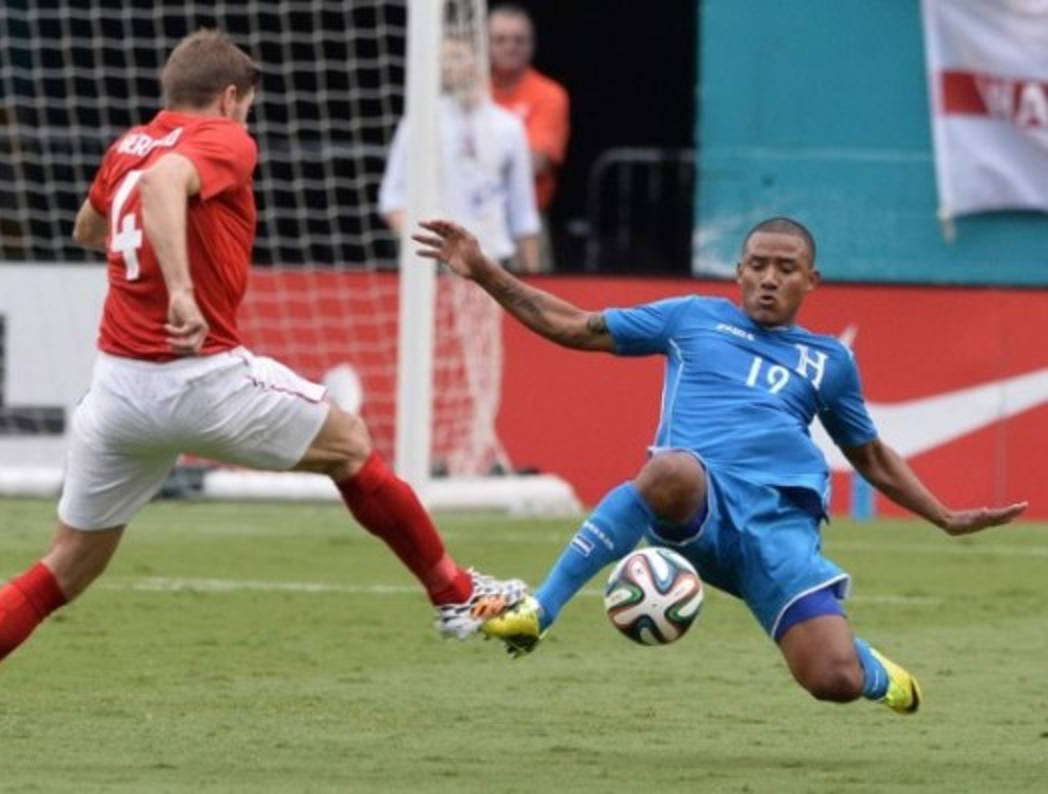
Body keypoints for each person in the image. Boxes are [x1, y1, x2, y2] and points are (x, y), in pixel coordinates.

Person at [0, 31, 526, 765]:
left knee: (63, 568)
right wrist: (180, 288)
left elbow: (90, 227)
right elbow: (163, 188)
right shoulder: (224, 139)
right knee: (350, 445)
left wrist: (149, 255)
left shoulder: (128, 145)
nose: (247, 124)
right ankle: (454, 595)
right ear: (230, 97)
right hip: (199, 376)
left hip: (118, 391)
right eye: (247, 108)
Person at [413, 216, 1027, 715]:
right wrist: (487, 273)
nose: (768, 278)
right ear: (738, 271)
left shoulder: (828, 361)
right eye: (757, 265)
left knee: (831, 679)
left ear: (811, 280)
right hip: (699, 506)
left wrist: (944, 516)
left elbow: (869, 454)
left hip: (780, 530)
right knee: (669, 470)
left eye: (785, 269)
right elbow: (573, 326)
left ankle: (869, 668)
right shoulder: (692, 318)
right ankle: (538, 612)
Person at [379, 33, 541, 273]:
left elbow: (523, 215)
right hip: (433, 266)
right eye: (443, 58)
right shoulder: (419, 121)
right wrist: (424, 245)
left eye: (456, 56)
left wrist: (534, 275)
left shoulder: (508, 126)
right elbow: (391, 199)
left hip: (495, 263)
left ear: (478, 59)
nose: (449, 64)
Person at [488, 4, 569, 270]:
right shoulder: (471, 93)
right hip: (472, 217)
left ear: (532, 44)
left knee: (534, 303)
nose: (510, 47)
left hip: (525, 222)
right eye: (500, 39)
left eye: (519, 40)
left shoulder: (548, 94)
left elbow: (536, 163)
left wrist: (476, 161)